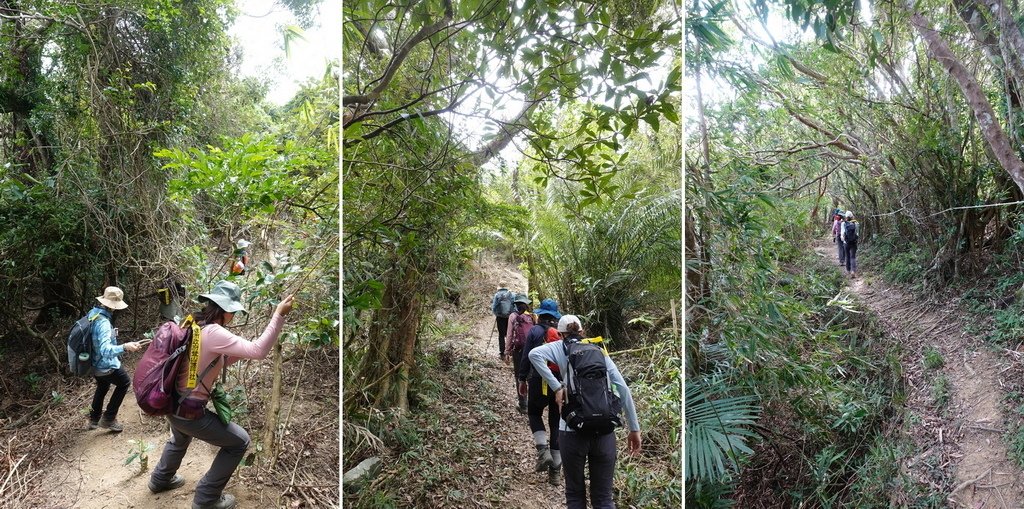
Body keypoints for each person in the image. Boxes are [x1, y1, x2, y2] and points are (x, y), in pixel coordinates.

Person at [148, 280, 295, 509]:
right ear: (226, 311)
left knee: (179, 438)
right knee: (239, 442)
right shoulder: (216, 332)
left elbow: (212, 359)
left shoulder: (194, 323)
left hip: (170, 404)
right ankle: (206, 499)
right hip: (188, 412)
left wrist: (237, 352)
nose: (234, 316)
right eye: (233, 312)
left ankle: (160, 479)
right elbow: (259, 351)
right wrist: (279, 315)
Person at [528, 315, 642, 509]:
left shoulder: (558, 347)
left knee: (574, 495)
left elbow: (533, 355)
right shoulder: (597, 350)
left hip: (571, 430)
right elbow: (622, 388)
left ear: (560, 333)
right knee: (604, 498)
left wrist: (557, 387)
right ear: (582, 332)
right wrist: (634, 428)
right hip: (604, 431)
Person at [517, 298, 563, 485]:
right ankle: (555, 474)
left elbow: (527, 357)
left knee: (534, 413)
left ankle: (543, 451)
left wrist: (522, 379)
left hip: (538, 381)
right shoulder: (562, 334)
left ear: (541, 314)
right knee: (555, 424)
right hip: (559, 385)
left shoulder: (535, 331)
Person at [87, 287, 143, 432]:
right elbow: (106, 350)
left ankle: (93, 419)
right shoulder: (104, 323)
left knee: (103, 386)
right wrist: (125, 347)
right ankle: (109, 418)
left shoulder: (93, 313)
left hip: (93, 364)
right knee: (124, 382)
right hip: (106, 366)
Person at [506, 293, 534, 414]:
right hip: (531, 351)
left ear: (516, 304)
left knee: (519, 376)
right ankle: (533, 403)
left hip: (518, 351)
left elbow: (510, 334)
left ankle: (523, 405)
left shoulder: (513, 316)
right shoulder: (532, 316)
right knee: (531, 376)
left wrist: (507, 351)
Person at [491, 285, 515, 361]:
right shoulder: (512, 294)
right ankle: (510, 352)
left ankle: (502, 353)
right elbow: (514, 306)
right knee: (510, 334)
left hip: (500, 317)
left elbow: (494, 307)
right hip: (509, 317)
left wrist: (496, 314)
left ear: (500, 287)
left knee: (501, 335)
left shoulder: (497, 295)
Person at [841, 210, 859, 277]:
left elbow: (842, 235)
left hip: (846, 242)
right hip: (854, 242)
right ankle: (853, 271)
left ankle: (848, 270)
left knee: (847, 256)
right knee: (853, 257)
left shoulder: (843, 223)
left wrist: (844, 240)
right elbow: (857, 234)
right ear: (852, 216)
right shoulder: (856, 223)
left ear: (846, 217)